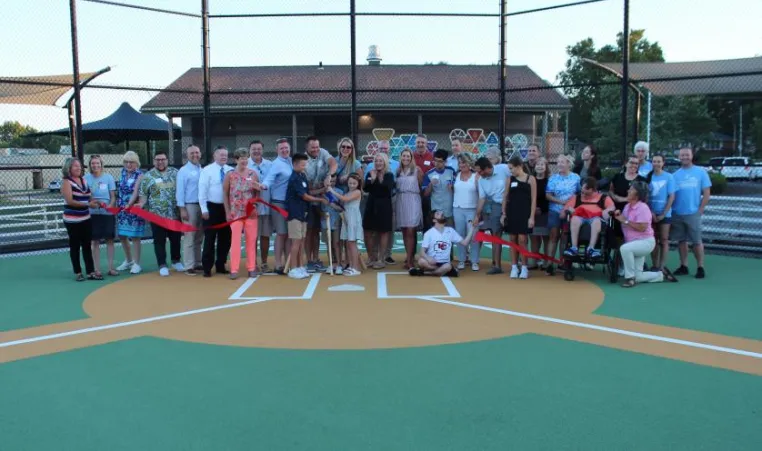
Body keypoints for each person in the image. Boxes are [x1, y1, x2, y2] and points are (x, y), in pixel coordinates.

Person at [614, 182, 677, 287]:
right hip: (634, 243)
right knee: (639, 276)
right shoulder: (627, 207)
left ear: (637, 194)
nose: (628, 191)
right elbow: (624, 220)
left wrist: (624, 221)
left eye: (631, 189)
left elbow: (642, 227)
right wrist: (619, 216)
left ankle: (630, 278)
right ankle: (660, 275)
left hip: (644, 242)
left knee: (625, 249)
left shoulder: (643, 208)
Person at [139, 151, 182, 277]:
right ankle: (162, 264)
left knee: (176, 239)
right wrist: (141, 206)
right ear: (154, 161)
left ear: (167, 160)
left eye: (163, 159)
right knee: (159, 240)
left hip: (174, 213)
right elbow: (143, 195)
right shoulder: (148, 176)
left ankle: (176, 261)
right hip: (156, 215)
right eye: (158, 159)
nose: (160, 162)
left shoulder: (175, 173)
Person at [286, 153, 328, 279]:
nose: (305, 166)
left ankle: (300, 266)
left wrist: (322, 191)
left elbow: (308, 191)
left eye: (305, 164)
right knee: (296, 242)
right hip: (295, 213)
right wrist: (320, 200)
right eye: (302, 164)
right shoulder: (294, 178)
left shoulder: (302, 175)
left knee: (302, 241)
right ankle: (293, 268)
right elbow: (304, 196)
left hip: (304, 213)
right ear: (295, 164)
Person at [671, 147, 711, 279]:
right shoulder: (675, 175)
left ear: (692, 156)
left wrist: (700, 210)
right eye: (682, 155)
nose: (684, 157)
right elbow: (672, 195)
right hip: (677, 213)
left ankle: (700, 267)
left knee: (696, 241)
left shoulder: (701, 173)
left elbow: (706, 193)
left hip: (693, 213)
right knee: (681, 241)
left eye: (687, 155)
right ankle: (684, 266)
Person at [223, 148, 261, 280]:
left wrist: (255, 205)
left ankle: (251, 268)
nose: (244, 161)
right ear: (236, 160)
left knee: (251, 240)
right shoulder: (230, 175)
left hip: (251, 213)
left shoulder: (253, 174)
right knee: (235, 242)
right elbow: (225, 194)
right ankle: (234, 269)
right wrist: (228, 211)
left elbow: (257, 191)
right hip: (235, 213)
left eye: (246, 158)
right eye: (241, 158)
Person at [61, 158, 99, 281]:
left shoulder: (84, 180)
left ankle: (90, 272)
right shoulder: (66, 182)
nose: (78, 168)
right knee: (75, 246)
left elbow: (88, 197)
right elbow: (70, 201)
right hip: (72, 221)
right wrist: (88, 205)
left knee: (87, 245)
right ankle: (78, 272)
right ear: (69, 169)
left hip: (85, 218)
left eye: (79, 166)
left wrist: (93, 201)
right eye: (75, 166)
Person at [304, 136, 338, 272]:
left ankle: (316, 258)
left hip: (322, 197)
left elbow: (333, 163)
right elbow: (309, 189)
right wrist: (322, 189)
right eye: (313, 147)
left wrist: (329, 175)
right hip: (310, 199)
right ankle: (309, 260)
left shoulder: (323, 152)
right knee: (309, 231)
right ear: (307, 148)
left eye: (317, 146)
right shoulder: (303, 161)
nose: (316, 149)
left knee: (317, 230)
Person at [260, 138, 294, 274]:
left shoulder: (291, 161)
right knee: (281, 233)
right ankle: (278, 264)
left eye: (286, 148)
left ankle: (287, 263)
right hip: (279, 203)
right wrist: (264, 185)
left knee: (289, 234)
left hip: (291, 204)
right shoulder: (276, 164)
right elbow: (269, 179)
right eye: (282, 149)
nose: (285, 150)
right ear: (277, 150)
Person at [199, 145, 233, 277]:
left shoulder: (231, 170)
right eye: (221, 154)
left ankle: (221, 265)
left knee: (225, 239)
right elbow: (202, 191)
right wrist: (204, 209)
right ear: (214, 156)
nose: (224, 157)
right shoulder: (207, 170)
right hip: (211, 207)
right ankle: (207, 267)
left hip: (226, 208)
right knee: (209, 239)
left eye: (225, 154)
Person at [364, 139, 400, 264]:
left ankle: (382, 258)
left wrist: (377, 178)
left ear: (385, 162)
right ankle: (371, 256)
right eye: (377, 161)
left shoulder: (389, 175)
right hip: (371, 204)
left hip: (385, 205)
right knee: (368, 230)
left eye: (381, 161)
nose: (378, 163)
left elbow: (387, 188)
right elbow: (366, 188)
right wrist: (372, 179)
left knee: (384, 231)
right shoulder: (370, 172)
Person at [409, 210, 474, 277]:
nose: (441, 213)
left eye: (441, 213)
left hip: (444, 263)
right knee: (421, 261)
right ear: (434, 220)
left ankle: (428, 273)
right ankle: (443, 272)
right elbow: (422, 252)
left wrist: (472, 229)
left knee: (448, 266)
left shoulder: (450, 231)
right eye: (438, 214)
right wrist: (428, 258)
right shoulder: (429, 233)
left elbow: (465, 243)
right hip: (431, 262)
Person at [501, 155, 537, 279]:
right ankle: (514, 266)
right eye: (509, 169)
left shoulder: (531, 179)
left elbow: (533, 200)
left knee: (522, 239)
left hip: (525, 213)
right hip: (512, 213)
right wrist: (503, 214)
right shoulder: (509, 179)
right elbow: (505, 197)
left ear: (519, 166)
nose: (510, 171)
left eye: (511, 168)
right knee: (512, 238)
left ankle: (524, 267)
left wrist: (531, 217)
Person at [562, 177, 615, 259]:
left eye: (587, 193)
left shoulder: (603, 198)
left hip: (595, 219)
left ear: (594, 190)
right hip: (579, 218)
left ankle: (591, 248)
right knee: (575, 219)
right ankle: (574, 248)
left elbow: (611, 208)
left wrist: (607, 211)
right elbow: (562, 214)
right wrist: (568, 209)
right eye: (582, 192)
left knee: (597, 220)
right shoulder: (577, 197)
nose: (583, 195)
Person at [545, 154, 580, 275]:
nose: (559, 164)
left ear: (568, 164)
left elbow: (579, 194)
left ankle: (562, 263)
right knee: (553, 235)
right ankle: (549, 263)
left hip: (569, 212)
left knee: (565, 237)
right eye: (558, 162)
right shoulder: (553, 178)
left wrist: (569, 205)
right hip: (555, 210)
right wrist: (561, 202)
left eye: (562, 162)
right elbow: (548, 195)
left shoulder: (576, 178)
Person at [474, 155, 508, 275]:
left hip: (512, 204)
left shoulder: (504, 168)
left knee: (517, 234)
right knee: (496, 234)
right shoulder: (481, 180)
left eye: (480, 171)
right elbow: (482, 199)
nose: (479, 174)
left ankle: (518, 263)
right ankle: (496, 265)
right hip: (496, 206)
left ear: (488, 168)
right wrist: (477, 215)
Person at [85, 155, 117, 277]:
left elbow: (113, 195)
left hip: (107, 213)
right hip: (93, 214)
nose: (95, 165)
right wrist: (92, 203)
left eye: (97, 163)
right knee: (95, 241)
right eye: (93, 163)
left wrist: (110, 205)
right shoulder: (85, 178)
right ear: (90, 165)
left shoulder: (108, 177)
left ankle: (111, 268)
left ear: (101, 164)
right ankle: (97, 269)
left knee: (109, 240)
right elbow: (85, 196)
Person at [328, 173, 363, 276]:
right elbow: (341, 203)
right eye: (350, 183)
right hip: (347, 218)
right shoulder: (348, 192)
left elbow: (344, 199)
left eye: (354, 183)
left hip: (353, 218)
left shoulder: (357, 192)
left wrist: (331, 190)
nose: (352, 185)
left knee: (352, 243)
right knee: (348, 243)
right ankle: (351, 265)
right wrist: (329, 197)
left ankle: (356, 268)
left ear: (358, 184)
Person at [115, 151, 144, 274]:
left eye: (131, 162)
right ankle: (128, 260)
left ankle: (137, 264)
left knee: (135, 236)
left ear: (136, 163)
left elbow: (136, 192)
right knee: (122, 235)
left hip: (133, 209)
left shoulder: (140, 175)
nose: (128, 164)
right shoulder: (122, 173)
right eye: (126, 162)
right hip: (121, 209)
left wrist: (129, 205)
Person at [176, 145, 204, 276]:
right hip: (189, 206)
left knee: (199, 236)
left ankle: (198, 262)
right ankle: (188, 265)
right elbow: (180, 192)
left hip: (202, 205)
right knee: (189, 236)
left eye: (197, 152)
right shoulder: (183, 170)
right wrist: (182, 209)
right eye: (192, 153)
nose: (195, 155)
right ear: (187, 155)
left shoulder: (202, 169)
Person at [336, 137, 363, 269]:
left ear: (352, 149)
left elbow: (360, 182)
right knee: (341, 236)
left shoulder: (356, 164)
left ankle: (351, 263)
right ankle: (339, 261)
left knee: (351, 238)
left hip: (349, 202)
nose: (346, 149)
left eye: (349, 147)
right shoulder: (334, 162)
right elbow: (329, 177)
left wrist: (349, 178)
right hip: (336, 201)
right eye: (343, 147)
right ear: (340, 148)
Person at [395, 148, 423, 269]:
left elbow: (421, 185)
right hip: (400, 200)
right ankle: (408, 257)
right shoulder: (397, 170)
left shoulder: (417, 170)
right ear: (400, 157)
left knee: (411, 230)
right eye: (404, 156)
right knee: (404, 230)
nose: (406, 158)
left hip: (413, 199)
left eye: (408, 156)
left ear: (412, 158)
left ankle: (411, 260)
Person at [247, 140, 273, 273]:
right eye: (253, 149)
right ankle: (253, 263)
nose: (256, 151)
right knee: (252, 237)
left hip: (267, 206)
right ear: (249, 150)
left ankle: (264, 262)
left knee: (265, 235)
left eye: (259, 149)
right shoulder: (244, 165)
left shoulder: (270, 164)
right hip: (251, 209)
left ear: (263, 150)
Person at [647, 154, 676, 271]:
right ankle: (655, 265)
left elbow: (671, 196)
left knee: (664, 240)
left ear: (663, 163)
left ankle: (662, 266)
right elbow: (645, 197)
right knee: (653, 240)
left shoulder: (669, 177)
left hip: (665, 214)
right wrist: (651, 212)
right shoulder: (648, 177)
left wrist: (664, 213)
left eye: (659, 161)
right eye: (654, 161)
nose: (656, 164)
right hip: (651, 214)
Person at [452, 153, 480, 271]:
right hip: (457, 209)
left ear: (469, 163)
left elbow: (480, 195)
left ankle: (474, 261)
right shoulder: (456, 175)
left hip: (472, 209)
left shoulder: (476, 176)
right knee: (460, 235)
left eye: (464, 162)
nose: (461, 165)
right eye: (460, 163)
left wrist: (478, 213)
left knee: (473, 236)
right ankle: (462, 260)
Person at [422, 149, 456, 225]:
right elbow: (425, 194)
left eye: (440, 161)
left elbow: (457, 189)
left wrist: (452, 187)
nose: (437, 163)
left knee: (450, 233)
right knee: (437, 235)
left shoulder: (451, 171)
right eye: (435, 160)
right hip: (436, 212)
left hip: (450, 211)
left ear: (445, 162)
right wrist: (431, 184)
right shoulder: (429, 174)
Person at [529, 157, 550, 270]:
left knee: (546, 237)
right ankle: (534, 260)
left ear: (546, 167)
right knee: (534, 237)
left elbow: (550, 197)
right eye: (538, 164)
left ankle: (547, 261)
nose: (540, 166)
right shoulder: (530, 180)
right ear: (534, 167)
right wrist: (533, 209)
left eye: (542, 164)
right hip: (533, 213)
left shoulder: (549, 181)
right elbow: (528, 197)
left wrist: (541, 209)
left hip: (545, 213)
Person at [322, 176, 343, 274]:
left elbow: (342, 207)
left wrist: (333, 205)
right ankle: (331, 263)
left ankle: (339, 264)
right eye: (330, 181)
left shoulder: (340, 191)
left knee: (336, 243)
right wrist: (322, 215)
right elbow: (318, 207)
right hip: (325, 221)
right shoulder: (321, 193)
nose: (332, 183)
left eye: (334, 181)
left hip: (336, 221)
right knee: (329, 244)